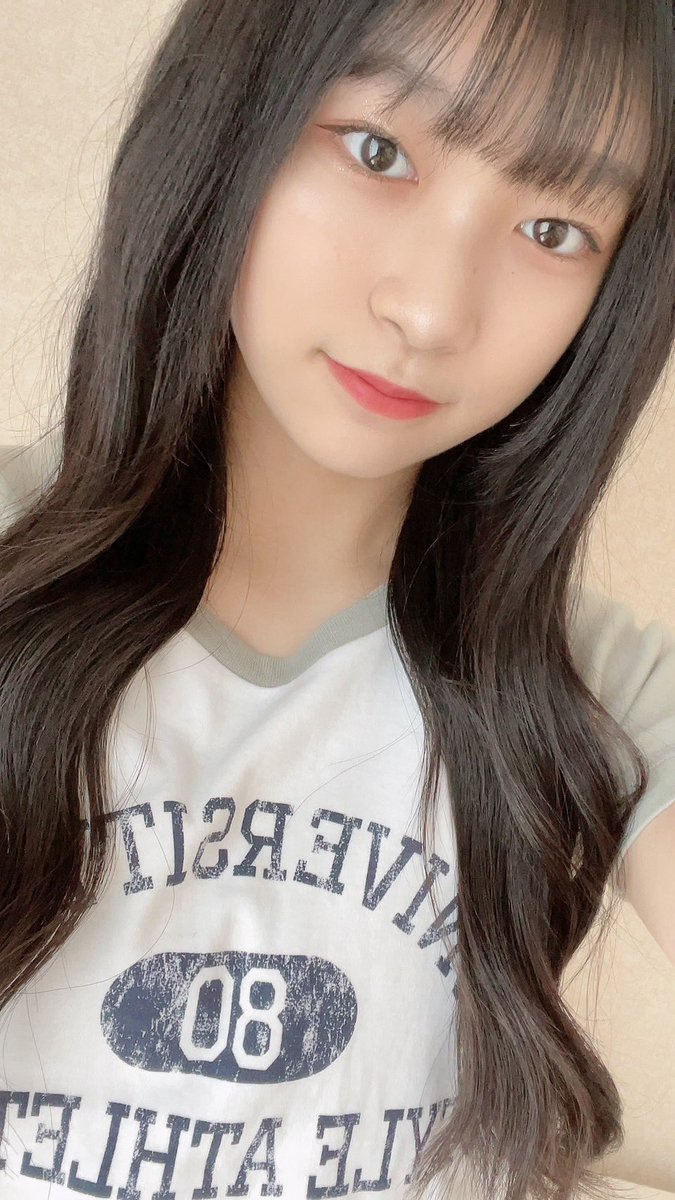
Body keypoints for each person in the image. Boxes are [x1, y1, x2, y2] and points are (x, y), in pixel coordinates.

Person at [0, 0, 673, 1197]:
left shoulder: (594, 685)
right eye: (378, 150)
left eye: (555, 228)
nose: (432, 312)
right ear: (229, 125)